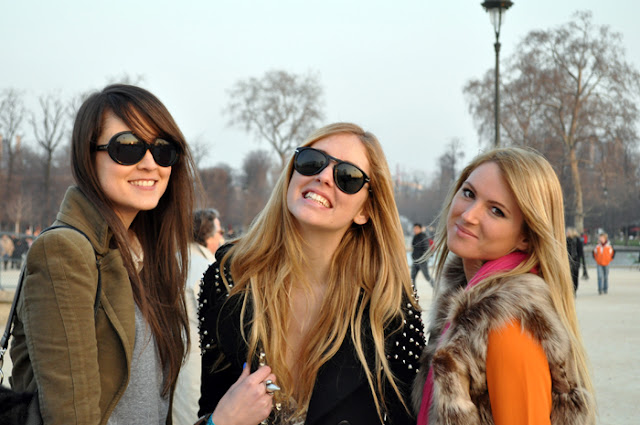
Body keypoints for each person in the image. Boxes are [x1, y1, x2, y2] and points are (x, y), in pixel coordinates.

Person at [198, 123, 425, 425]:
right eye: (312, 161)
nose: (324, 176)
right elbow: (210, 405)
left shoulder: (391, 305)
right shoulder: (227, 280)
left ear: (365, 210)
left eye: (348, 177)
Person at [10, 84, 197, 424]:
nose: (150, 164)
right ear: (88, 155)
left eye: (162, 150)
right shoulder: (63, 252)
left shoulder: (147, 258)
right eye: (128, 148)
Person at [413, 147, 595, 425]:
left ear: (526, 237)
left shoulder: (509, 325)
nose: (469, 215)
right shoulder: (470, 304)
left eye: (496, 211)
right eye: (468, 193)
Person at [173, 208, 222, 425]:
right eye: (219, 232)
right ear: (207, 236)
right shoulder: (206, 269)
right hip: (195, 366)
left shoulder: (173, 261)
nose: (221, 238)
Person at [566, 227, 584, 294]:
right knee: (569, 277)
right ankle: (571, 290)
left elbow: (580, 252)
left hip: (576, 261)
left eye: (568, 232)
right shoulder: (566, 240)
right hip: (568, 262)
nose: (566, 233)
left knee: (575, 277)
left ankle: (574, 290)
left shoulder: (578, 240)